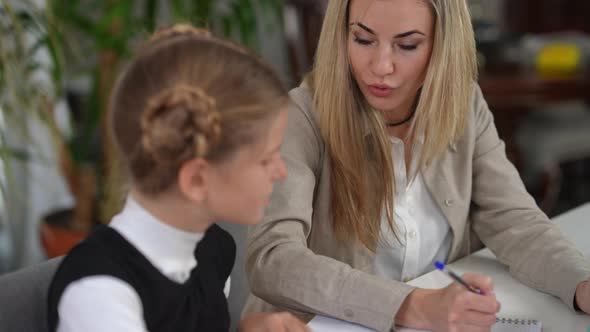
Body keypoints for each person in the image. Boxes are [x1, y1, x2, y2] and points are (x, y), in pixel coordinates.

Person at [242, 1, 590, 331]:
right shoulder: (300, 115)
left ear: (443, 45)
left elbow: (516, 222)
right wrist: (414, 306)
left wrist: (580, 282)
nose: (380, 66)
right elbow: (273, 259)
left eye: (406, 45)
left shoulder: (465, 104)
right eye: (362, 39)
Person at [47, 25, 310, 332]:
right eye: (266, 159)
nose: (281, 171)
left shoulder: (212, 250)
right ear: (196, 179)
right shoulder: (99, 296)